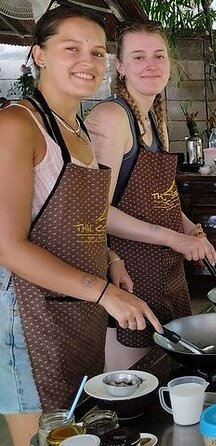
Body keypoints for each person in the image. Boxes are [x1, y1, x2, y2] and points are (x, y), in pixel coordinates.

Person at [0, 5, 162, 446]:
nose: (87, 61)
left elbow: (80, 219)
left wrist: (109, 257)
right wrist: (106, 293)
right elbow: (7, 246)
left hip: (77, 305)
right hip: (28, 313)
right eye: (71, 48)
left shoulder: (78, 129)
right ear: (39, 55)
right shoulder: (17, 124)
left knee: (77, 429)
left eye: (96, 52)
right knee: (43, 437)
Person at [85, 21, 216, 370]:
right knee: (131, 388)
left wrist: (190, 229)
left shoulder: (153, 118)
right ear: (121, 66)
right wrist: (173, 237)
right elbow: (96, 213)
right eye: (139, 56)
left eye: (159, 55)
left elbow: (164, 196)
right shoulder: (112, 117)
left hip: (164, 272)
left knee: (165, 372)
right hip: (126, 273)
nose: (151, 64)